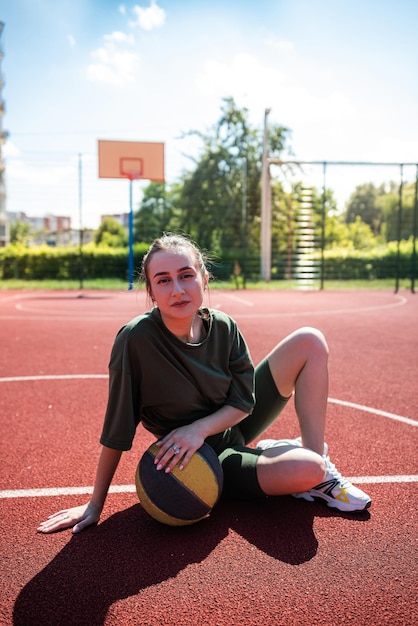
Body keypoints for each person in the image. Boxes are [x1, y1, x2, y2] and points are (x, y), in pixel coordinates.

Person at [38, 233, 371, 534]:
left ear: (204, 278)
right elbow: (117, 429)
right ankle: (304, 466)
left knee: (310, 340)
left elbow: (244, 400)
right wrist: (95, 504)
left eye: (186, 275)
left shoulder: (224, 327)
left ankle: (318, 461)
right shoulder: (135, 340)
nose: (178, 289)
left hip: (233, 422)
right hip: (206, 458)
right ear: (151, 291)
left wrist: (199, 427)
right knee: (306, 469)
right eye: (163, 280)